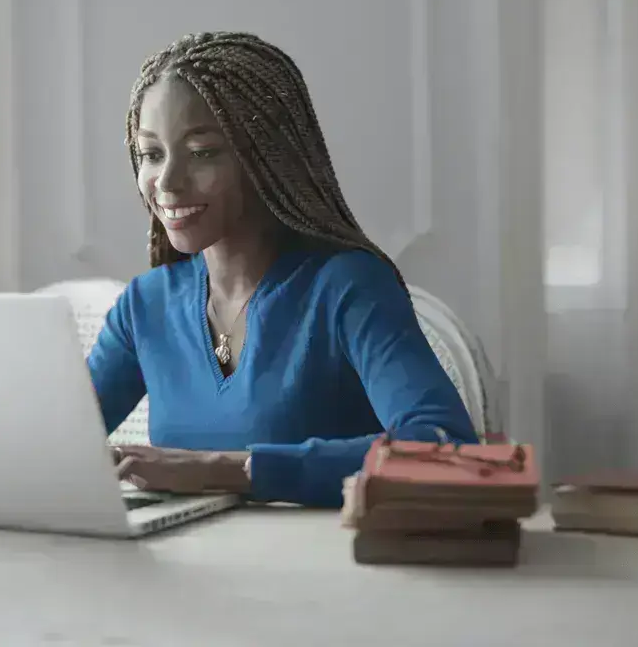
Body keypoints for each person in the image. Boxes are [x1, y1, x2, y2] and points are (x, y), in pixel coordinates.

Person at [88, 31, 479, 509]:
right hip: (183, 570)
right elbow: (46, 447)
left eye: (202, 152)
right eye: (151, 154)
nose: (167, 181)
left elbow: (448, 450)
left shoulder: (346, 287)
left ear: (264, 155)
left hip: (326, 574)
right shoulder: (144, 306)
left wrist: (226, 471)